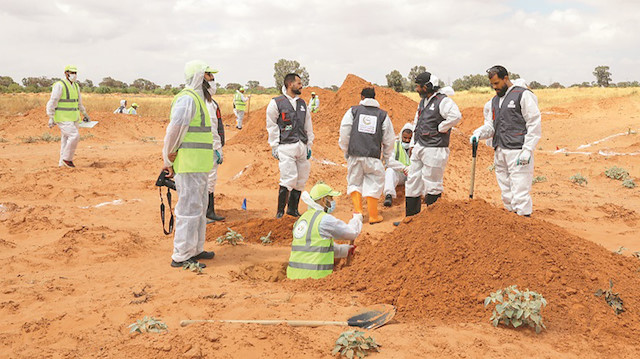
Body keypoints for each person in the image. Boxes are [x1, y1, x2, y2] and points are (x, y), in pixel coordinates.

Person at [161, 60, 217, 269]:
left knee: (199, 208)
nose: (213, 80)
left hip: (200, 166)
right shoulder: (188, 100)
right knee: (188, 209)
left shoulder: (199, 100)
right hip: (188, 165)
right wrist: (168, 159)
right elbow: (173, 132)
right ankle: (181, 255)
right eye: (210, 75)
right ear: (200, 77)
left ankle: (195, 249)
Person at [470, 66, 541, 216]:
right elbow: (491, 125)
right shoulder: (494, 101)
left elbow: (533, 122)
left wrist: (528, 149)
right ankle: (511, 221)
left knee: (520, 191)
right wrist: (479, 133)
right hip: (500, 150)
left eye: (496, 83)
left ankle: (524, 222)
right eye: (492, 85)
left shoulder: (523, 95)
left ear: (506, 78)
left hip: (517, 151)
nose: (494, 87)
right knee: (506, 192)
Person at [338, 87, 399, 224]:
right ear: (374, 97)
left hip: (355, 155)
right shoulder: (383, 115)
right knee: (374, 183)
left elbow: (344, 132)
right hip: (373, 157)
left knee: (354, 182)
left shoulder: (352, 111)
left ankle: (358, 213)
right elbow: (389, 139)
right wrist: (387, 157)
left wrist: (346, 150)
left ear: (362, 97)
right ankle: (373, 215)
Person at [405, 72, 462, 218]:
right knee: (412, 180)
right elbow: (416, 123)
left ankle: (432, 221)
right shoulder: (423, 102)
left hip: (435, 148)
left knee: (432, 183)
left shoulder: (443, 101)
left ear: (428, 86)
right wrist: (413, 143)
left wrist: (441, 128)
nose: (417, 89)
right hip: (420, 146)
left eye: (419, 86)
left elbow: (456, 116)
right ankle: (411, 219)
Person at [286, 182, 363, 280]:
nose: (332, 201)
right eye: (330, 198)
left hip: (293, 277)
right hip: (315, 279)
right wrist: (357, 219)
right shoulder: (324, 219)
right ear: (323, 200)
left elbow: (314, 247)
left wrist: (344, 250)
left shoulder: (301, 220)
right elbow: (351, 233)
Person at [266, 73, 314, 218]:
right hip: (286, 146)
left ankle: (293, 210)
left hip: (301, 145)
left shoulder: (302, 104)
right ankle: (280, 213)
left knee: (301, 179)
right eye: (298, 83)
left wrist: (309, 145)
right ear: (290, 84)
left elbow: (308, 125)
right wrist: (274, 145)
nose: (301, 86)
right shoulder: (276, 103)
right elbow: (271, 125)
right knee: (288, 178)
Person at [46, 65, 90, 168]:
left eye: (75, 73)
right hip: (62, 117)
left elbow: (79, 103)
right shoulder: (59, 85)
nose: (74, 75)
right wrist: (51, 116)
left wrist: (85, 114)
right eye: (72, 72)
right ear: (66, 73)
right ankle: (67, 159)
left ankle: (62, 163)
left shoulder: (76, 86)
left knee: (65, 140)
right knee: (74, 136)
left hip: (74, 117)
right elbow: (53, 101)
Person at [204, 73, 226, 222]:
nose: (214, 84)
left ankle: (208, 211)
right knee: (208, 179)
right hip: (207, 148)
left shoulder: (212, 103)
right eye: (211, 80)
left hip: (211, 147)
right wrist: (217, 147)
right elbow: (211, 128)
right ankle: (207, 212)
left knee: (209, 180)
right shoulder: (204, 103)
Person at [383, 123, 413, 207]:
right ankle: (389, 195)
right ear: (401, 136)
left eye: (410, 138)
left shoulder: (416, 146)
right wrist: (403, 168)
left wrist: (412, 168)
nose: (407, 140)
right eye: (405, 138)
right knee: (389, 171)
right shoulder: (395, 144)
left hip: (412, 174)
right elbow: (389, 161)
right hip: (400, 173)